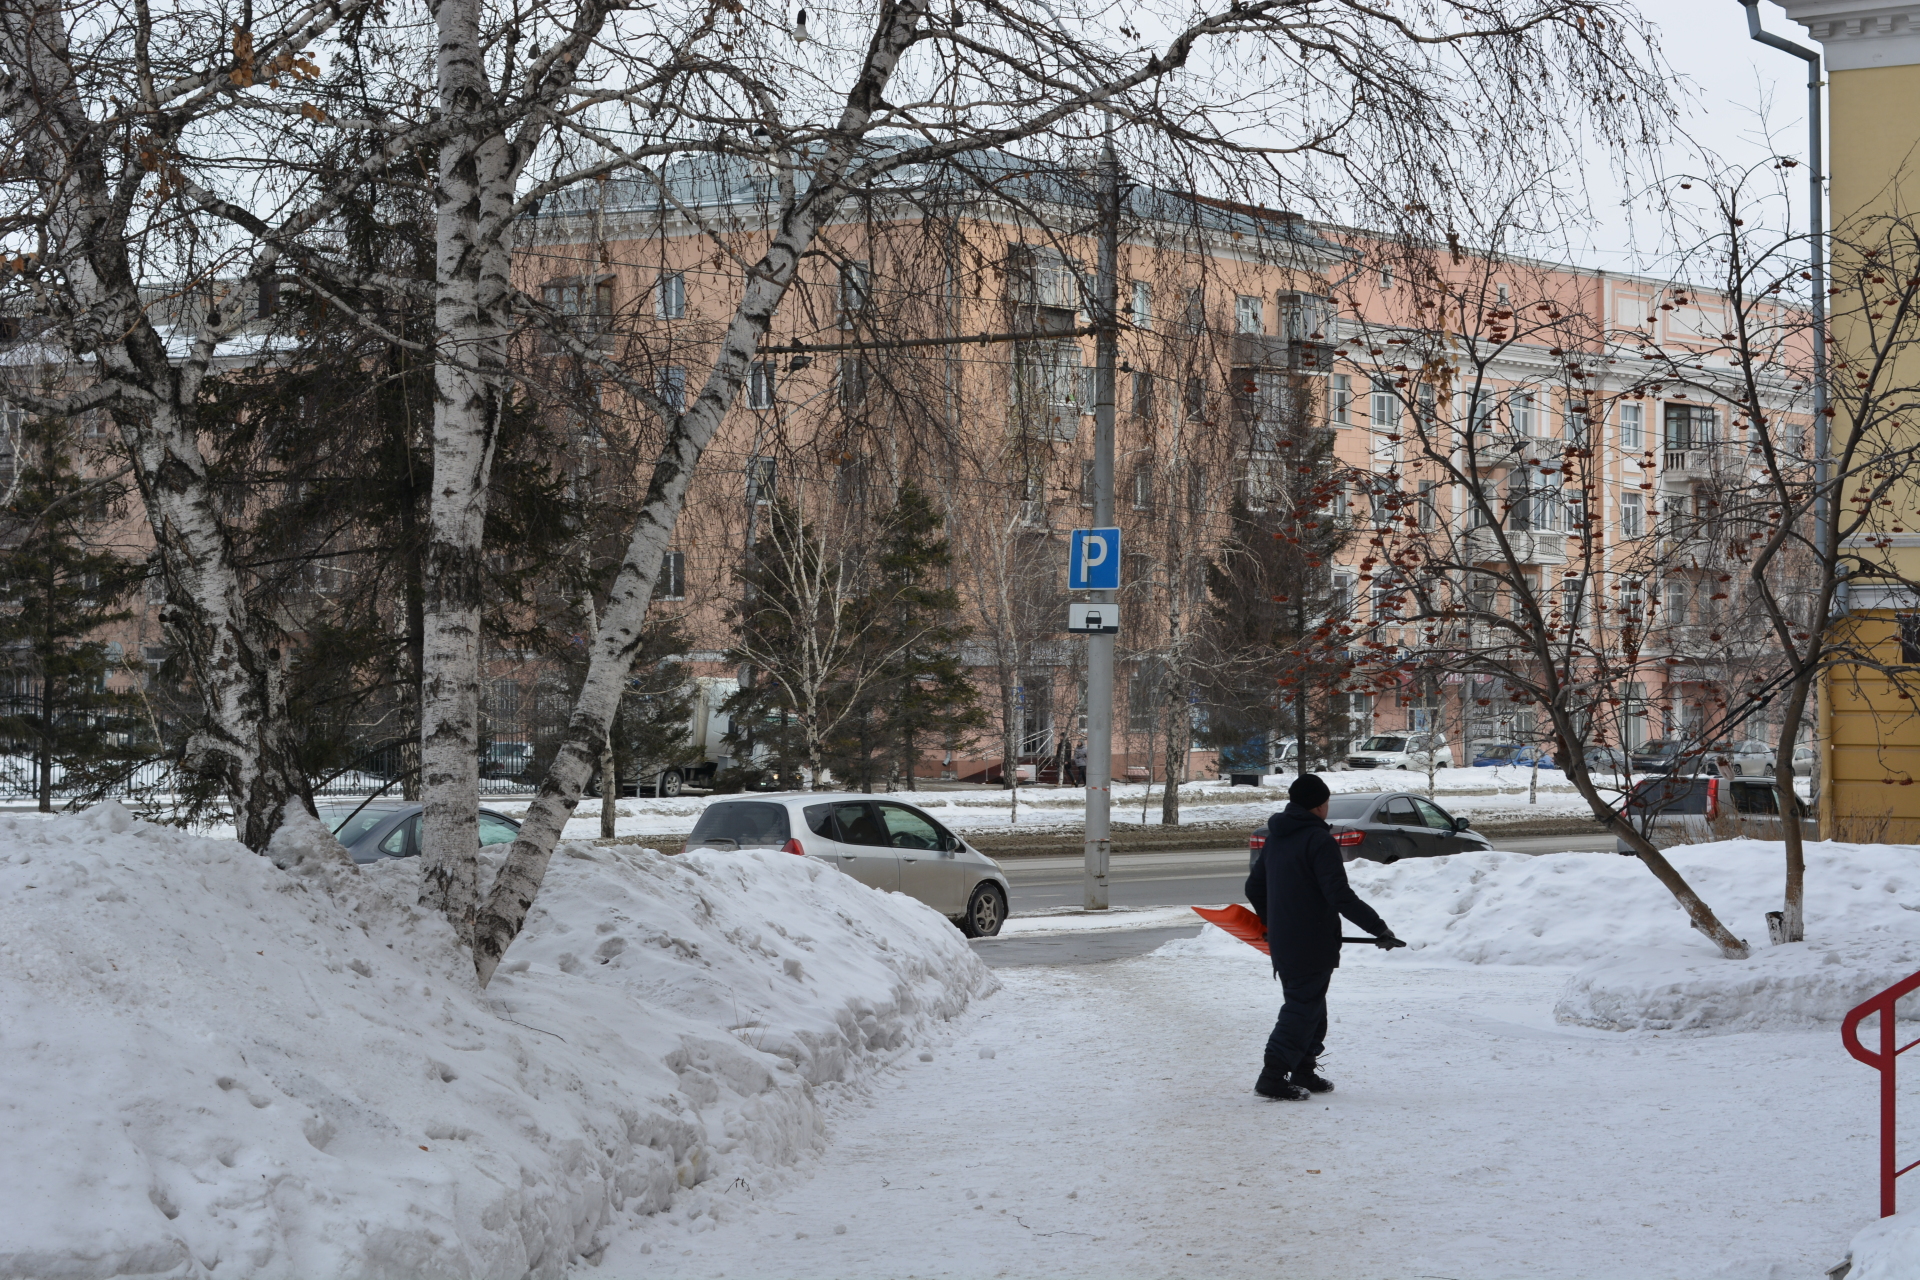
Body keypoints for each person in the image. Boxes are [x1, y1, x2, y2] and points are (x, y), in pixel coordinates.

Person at [1244, 772, 1405, 1101]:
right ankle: (1272, 1076)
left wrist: (1273, 922)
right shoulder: (1318, 841)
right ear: (1319, 805)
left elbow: (1253, 887)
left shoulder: (1276, 838)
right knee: (1302, 1007)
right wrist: (1378, 928)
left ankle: (1304, 1069)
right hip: (1311, 940)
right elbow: (1339, 895)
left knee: (1311, 1006)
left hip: (1287, 940)